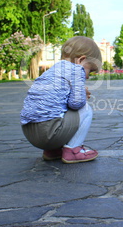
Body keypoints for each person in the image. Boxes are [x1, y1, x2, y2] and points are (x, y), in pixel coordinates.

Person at [20, 36, 102, 164]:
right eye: (89, 71)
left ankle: (53, 150)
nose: (88, 76)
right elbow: (76, 104)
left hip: (29, 132)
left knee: (59, 108)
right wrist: (83, 96)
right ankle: (73, 151)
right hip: (48, 133)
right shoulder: (76, 69)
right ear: (81, 60)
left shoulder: (52, 70)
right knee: (85, 109)